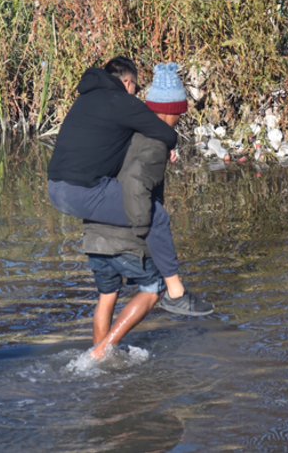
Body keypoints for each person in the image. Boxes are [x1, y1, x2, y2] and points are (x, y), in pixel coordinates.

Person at [47, 57, 211, 315]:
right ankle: (176, 293)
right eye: (136, 87)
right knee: (157, 217)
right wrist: (141, 224)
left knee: (107, 295)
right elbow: (165, 132)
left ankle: (98, 354)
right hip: (82, 191)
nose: (136, 94)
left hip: (56, 188)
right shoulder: (121, 100)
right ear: (127, 82)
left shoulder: (86, 100)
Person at [85, 63, 214, 359]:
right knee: (155, 287)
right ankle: (101, 352)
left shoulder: (123, 132)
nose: (181, 117)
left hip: (94, 233)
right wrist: (142, 228)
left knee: (107, 296)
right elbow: (134, 184)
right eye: (180, 111)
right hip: (125, 235)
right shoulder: (155, 143)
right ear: (171, 111)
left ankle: (99, 367)